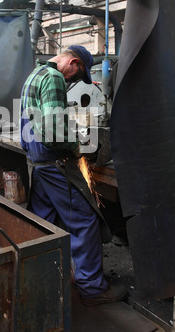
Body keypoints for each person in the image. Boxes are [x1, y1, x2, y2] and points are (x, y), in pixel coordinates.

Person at [20, 45, 128, 305]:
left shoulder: (34, 74)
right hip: (54, 164)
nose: (72, 81)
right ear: (74, 62)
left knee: (44, 222)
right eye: (76, 76)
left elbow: (35, 124)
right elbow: (54, 131)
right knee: (85, 221)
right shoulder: (55, 77)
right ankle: (92, 288)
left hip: (38, 164)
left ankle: (42, 278)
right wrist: (78, 147)